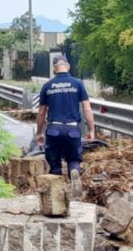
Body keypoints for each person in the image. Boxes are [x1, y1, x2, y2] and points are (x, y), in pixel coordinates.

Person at [36, 56, 96, 193]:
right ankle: (74, 171)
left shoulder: (47, 85)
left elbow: (41, 113)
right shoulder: (78, 83)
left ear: (54, 69)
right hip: (72, 129)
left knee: (54, 163)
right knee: (74, 159)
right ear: (68, 66)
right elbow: (87, 109)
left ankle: (57, 193)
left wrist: (39, 132)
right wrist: (92, 129)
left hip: (53, 130)